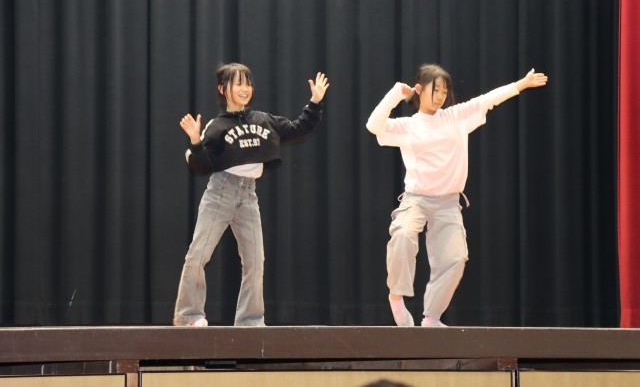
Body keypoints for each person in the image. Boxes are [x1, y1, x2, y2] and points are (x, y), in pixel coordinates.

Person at [366, 64, 547, 327]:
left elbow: (488, 99)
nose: (441, 96)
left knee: (456, 258)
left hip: (448, 203)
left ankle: (431, 317)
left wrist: (521, 84)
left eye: (445, 91)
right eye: (435, 90)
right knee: (403, 236)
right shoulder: (408, 126)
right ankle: (396, 297)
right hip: (416, 199)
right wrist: (396, 93)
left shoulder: (456, 117)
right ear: (420, 89)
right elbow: (373, 125)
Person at [174, 62, 329, 327]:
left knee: (256, 261)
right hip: (220, 192)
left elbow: (298, 128)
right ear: (222, 89)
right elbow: (202, 167)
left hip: (248, 195)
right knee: (198, 254)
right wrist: (196, 141)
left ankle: (250, 321)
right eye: (238, 83)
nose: (245, 89)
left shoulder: (264, 120)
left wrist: (315, 102)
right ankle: (189, 316)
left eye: (248, 83)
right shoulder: (217, 126)